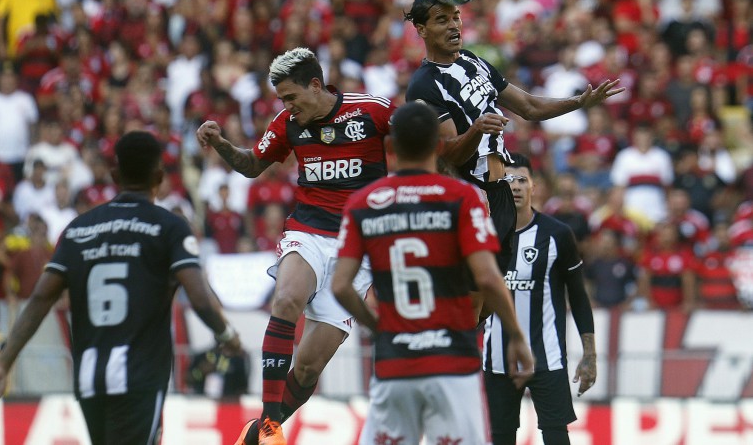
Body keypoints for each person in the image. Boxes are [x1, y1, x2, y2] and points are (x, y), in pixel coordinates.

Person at [0, 131, 241, 445]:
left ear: (116, 176)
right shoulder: (168, 227)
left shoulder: (78, 230)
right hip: (139, 377)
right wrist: (227, 335)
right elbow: (199, 297)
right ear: (158, 177)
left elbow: (39, 299)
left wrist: (4, 363)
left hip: (91, 379)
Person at [196, 47, 394, 445]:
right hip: (309, 232)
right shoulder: (288, 123)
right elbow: (253, 164)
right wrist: (220, 143)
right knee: (286, 300)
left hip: (359, 249)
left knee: (307, 370)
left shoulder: (373, 110)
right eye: (282, 100)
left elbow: (421, 141)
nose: (287, 107)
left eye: (291, 97)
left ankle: (258, 434)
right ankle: (270, 424)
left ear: (316, 85)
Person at [331, 102, 533, 444]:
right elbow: (487, 277)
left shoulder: (365, 202)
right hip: (452, 362)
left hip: (396, 362)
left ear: (391, 147)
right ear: (440, 146)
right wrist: (515, 335)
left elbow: (340, 286)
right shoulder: (462, 197)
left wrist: (380, 327)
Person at [404, 0, 623, 274]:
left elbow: (530, 107)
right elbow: (450, 154)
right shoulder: (424, 85)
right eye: (442, 20)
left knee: (488, 302)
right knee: (475, 293)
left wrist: (580, 102)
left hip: (501, 193)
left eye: (456, 17)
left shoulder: (473, 61)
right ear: (421, 29)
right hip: (471, 195)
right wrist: (477, 129)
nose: (454, 25)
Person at [482, 153, 597, 445]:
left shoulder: (558, 234)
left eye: (522, 179)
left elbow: (579, 297)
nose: (516, 186)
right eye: (508, 179)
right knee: (500, 437)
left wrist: (590, 356)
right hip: (498, 360)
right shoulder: (483, 233)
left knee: (557, 436)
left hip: (548, 358)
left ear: (535, 186)